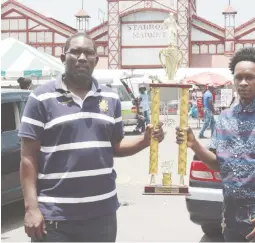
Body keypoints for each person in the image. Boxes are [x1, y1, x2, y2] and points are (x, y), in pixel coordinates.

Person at [18, 32, 165, 242]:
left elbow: (115, 145)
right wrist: (31, 207)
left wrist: (145, 140)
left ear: (96, 60)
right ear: (62, 58)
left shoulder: (110, 97)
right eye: (75, 52)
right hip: (55, 218)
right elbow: (28, 157)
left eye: (88, 53)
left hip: (101, 216)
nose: (82, 58)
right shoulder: (40, 97)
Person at [176, 47, 255, 242]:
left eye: (250, 77)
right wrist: (194, 144)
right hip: (230, 210)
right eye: (239, 77)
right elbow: (219, 165)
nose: (243, 83)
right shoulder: (224, 118)